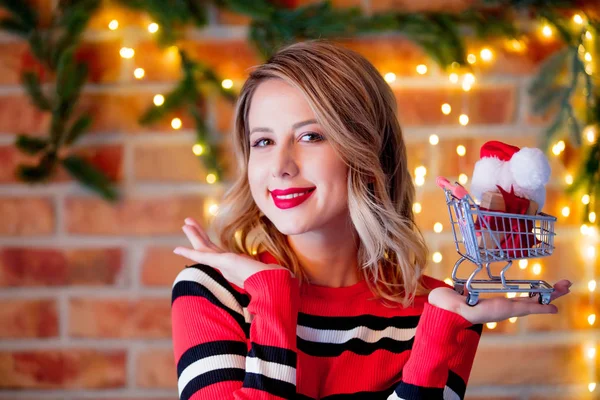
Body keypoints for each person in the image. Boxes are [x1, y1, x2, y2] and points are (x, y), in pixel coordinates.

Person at [170, 40, 571, 400]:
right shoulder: (213, 291)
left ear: (366, 150)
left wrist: (438, 333)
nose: (280, 166)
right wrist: (272, 292)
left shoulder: (442, 311)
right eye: (263, 141)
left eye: (311, 136)